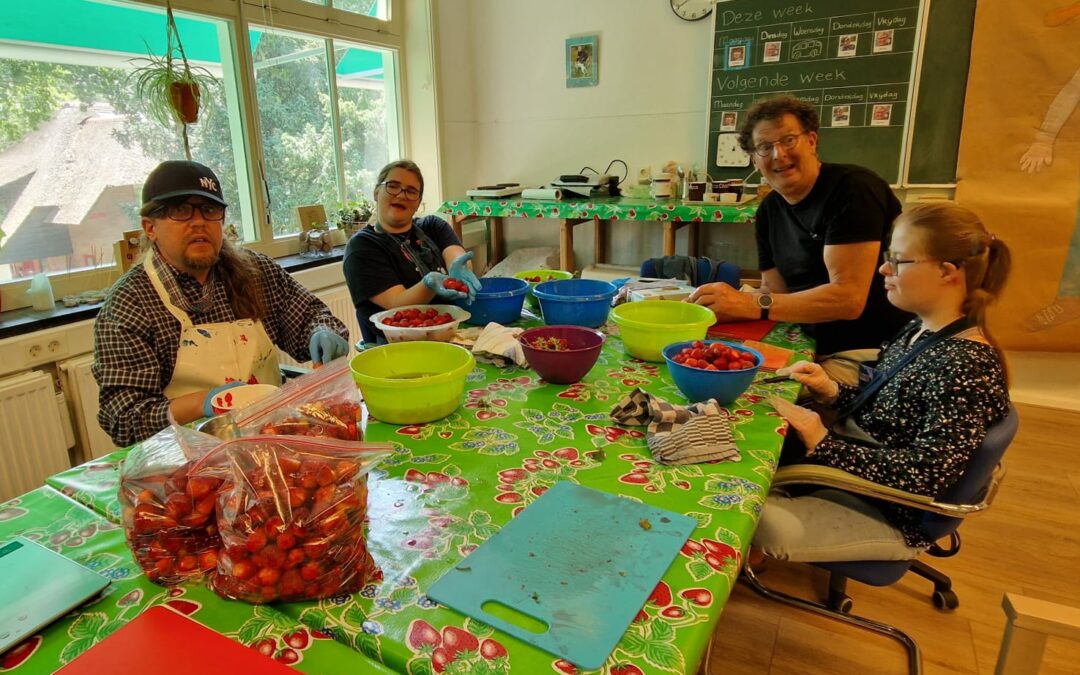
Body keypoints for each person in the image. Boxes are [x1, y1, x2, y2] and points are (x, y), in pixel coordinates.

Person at [752, 202, 1012, 562]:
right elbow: (891, 412)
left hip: (891, 507)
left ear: (947, 271)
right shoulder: (921, 328)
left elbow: (927, 476)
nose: (883, 268)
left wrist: (824, 443)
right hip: (863, 466)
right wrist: (832, 391)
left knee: (742, 509)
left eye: (900, 261)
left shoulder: (964, 365)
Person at [93, 160, 350, 447]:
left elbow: (311, 316)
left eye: (210, 210)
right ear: (150, 227)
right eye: (181, 211)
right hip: (186, 457)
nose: (199, 221)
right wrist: (205, 403)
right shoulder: (130, 304)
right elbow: (124, 419)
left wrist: (322, 332)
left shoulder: (256, 272)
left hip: (271, 438)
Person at [689, 94, 913, 383]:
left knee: (753, 392)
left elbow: (848, 299)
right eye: (764, 147)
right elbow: (775, 292)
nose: (778, 155)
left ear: (811, 141)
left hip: (870, 353)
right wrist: (713, 307)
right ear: (754, 160)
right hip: (809, 343)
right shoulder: (769, 210)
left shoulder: (853, 190)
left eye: (789, 140)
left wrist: (749, 303)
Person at [342, 159, 481, 344]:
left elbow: (454, 254)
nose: (401, 195)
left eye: (411, 191)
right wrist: (428, 284)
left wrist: (459, 264)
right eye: (393, 186)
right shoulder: (362, 247)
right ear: (376, 193)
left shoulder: (432, 226)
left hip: (449, 332)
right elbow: (397, 304)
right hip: (398, 345)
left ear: (418, 202)